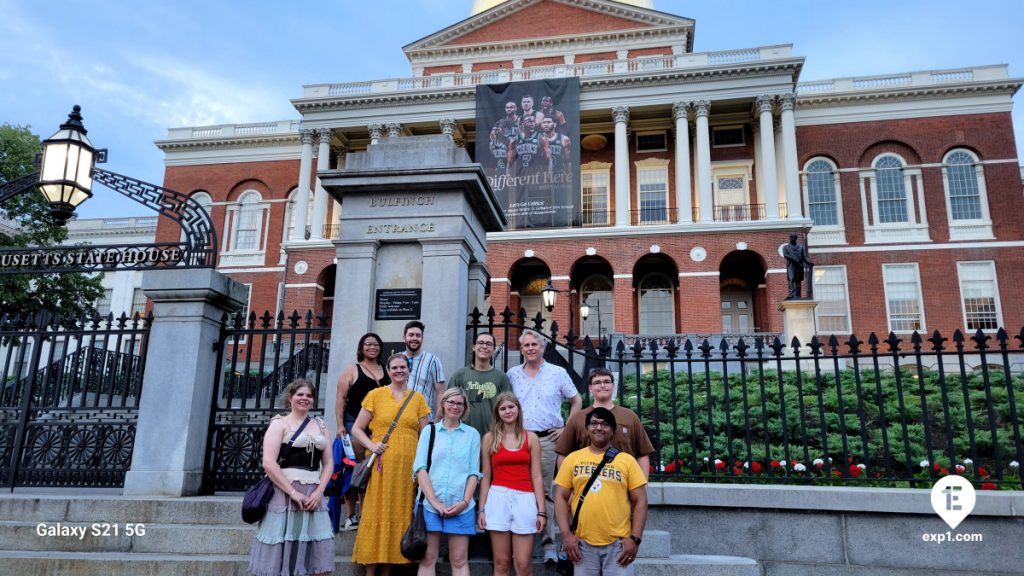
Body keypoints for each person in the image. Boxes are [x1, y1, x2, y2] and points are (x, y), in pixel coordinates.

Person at [351, 354, 431, 576]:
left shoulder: (418, 398)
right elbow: (357, 428)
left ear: (408, 370)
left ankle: (387, 570)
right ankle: (370, 571)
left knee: (399, 511)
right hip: (381, 465)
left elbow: (425, 434)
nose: (398, 371)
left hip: (407, 467)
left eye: (402, 367)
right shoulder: (375, 395)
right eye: (394, 367)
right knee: (376, 512)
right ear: (388, 370)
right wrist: (371, 444)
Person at [507, 329, 582, 564]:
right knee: (517, 490)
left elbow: (576, 400)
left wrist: (566, 429)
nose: (530, 348)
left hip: (548, 440)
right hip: (519, 439)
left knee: (547, 492)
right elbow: (505, 405)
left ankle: (549, 545)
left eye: (534, 345)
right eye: (526, 345)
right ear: (521, 349)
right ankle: (515, 542)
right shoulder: (512, 375)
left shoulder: (557, 373)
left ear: (542, 347)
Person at [248, 379, 334, 576]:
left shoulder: (321, 426)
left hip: (313, 494)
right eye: (300, 395)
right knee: (282, 550)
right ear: (291, 397)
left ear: (313, 400)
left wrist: (319, 492)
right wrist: (293, 493)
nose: (304, 399)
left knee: (319, 551)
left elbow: (329, 463)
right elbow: (269, 463)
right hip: (285, 493)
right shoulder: (280, 424)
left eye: (309, 396)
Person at [554, 408, 648, 576]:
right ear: (587, 429)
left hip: (618, 546)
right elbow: (560, 497)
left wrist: (635, 539)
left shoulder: (627, 461)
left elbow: (640, 501)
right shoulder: (573, 459)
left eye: (605, 424)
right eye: (594, 423)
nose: (599, 427)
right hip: (582, 545)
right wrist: (566, 535)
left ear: (612, 431)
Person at [413, 387, 482, 576]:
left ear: (465, 407)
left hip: (461, 506)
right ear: (443, 404)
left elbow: (474, 473)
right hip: (429, 505)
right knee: (428, 558)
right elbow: (420, 468)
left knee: (459, 560)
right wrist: (434, 501)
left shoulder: (472, 435)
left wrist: (465, 502)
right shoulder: (429, 431)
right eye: (451, 402)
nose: (455, 407)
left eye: (459, 403)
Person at [478, 392, 546, 576]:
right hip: (497, 497)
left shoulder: (530, 438)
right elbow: (485, 476)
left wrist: (541, 510)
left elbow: (537, 476)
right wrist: (481, 509)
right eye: (503, 408)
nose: (507, 411)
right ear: (497, 412)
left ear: (518, 409)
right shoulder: (489, 438)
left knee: (523, 564)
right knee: (501, 563)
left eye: (511, 407)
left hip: (525, 498)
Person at [335, 332, 390, 530]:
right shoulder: (352, 370)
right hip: (352, 422)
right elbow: (340, 399)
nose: (372, 347)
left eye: (376, 344)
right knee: (354, 467)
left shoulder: (387, 370)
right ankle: (351, 515)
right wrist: (340, 425)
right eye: (368, 344)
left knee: (372, 467)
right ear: (361, 347)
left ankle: (367, 512)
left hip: (377, 425)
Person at [556, 368, 653, 478]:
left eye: (606, 382)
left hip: (623, 486)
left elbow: (643, 454)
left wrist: (642, 486)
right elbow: (563, 454)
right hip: (585, 486)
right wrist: (568, 486)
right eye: (597, 382)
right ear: (590, 388)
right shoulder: (577, 418)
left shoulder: (630, 417)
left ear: (613, 386)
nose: (602, 386)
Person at [447, 331, 512, 437]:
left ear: (494, 349)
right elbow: (448, 405)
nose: (484, 346)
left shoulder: (502, 378)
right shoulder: (460, 375)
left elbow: (509, 409)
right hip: (462, 435)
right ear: (474, 347)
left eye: (488, 344)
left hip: (493, 436)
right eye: (480, 343)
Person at [403, 320, 446, 421]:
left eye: (418, 335)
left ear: (422, 338)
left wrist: (437, 419)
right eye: (411, 335)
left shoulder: (433, 360)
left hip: (424, 419)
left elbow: (440, 392)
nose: (414, 338)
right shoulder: (396, 359)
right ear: (404, 338)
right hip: (399, 418)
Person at [783, 233, 813, 299]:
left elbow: (804, 256)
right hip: (791, 265)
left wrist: (809, 262)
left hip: (799, 266)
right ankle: (791, 294)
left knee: (798, 281)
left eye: (793, 237)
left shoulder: (801, 247)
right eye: (791, 237)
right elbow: (786, 255)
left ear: (796, 238)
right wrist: (794, 260)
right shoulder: (786, 247)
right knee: (791, 279)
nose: (792, 238)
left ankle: (798, 295)